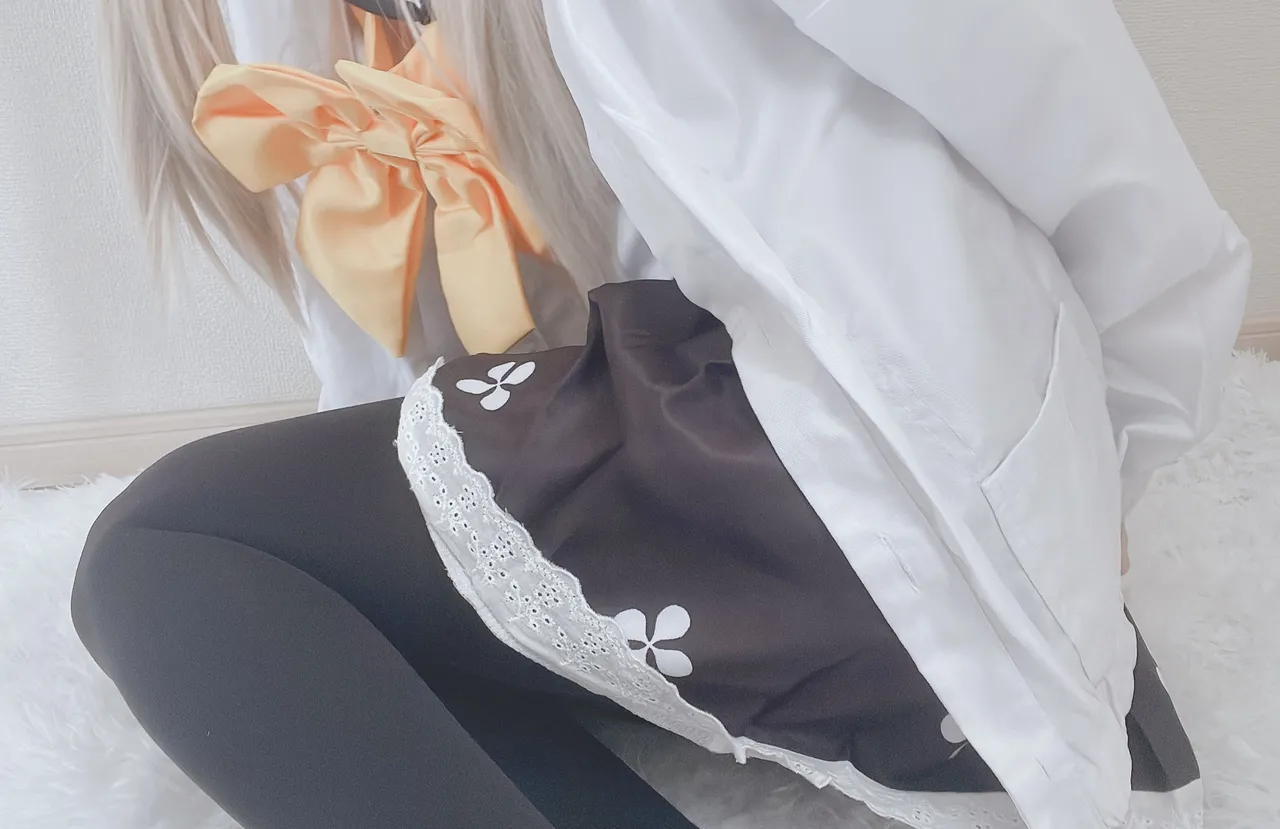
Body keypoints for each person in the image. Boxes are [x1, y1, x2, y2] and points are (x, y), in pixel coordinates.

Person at [73, 1, 1251, 827]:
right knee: (286, 618)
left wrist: (1102, 457)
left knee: (162, 547)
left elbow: (1096, 145)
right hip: (652, 472)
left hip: (816, 451)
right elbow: (384, 345)